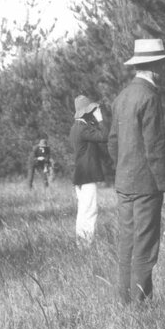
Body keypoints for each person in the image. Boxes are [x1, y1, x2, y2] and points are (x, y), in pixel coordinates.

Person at [108, 38, 165, 304]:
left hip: (124, 183)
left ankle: (126, 301)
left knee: (127, 243)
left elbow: (112, 142)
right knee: (145, 245)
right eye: (163, 63)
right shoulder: (149, 97)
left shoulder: (122, 97)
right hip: (146, 185)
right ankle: (140, 306)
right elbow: (155, 146)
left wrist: (123, 169)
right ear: (156, 65)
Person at [69, 95, 109, 246]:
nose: (93, 112)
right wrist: (100, 120)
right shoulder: (83, 128)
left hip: (80, 175)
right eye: (91, 110)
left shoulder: (76, 127)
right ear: (86, 112)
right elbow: (104, 136)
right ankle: (86, 245)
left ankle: (81, 243)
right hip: (87, 176)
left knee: (83, 211)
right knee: (90, 210)